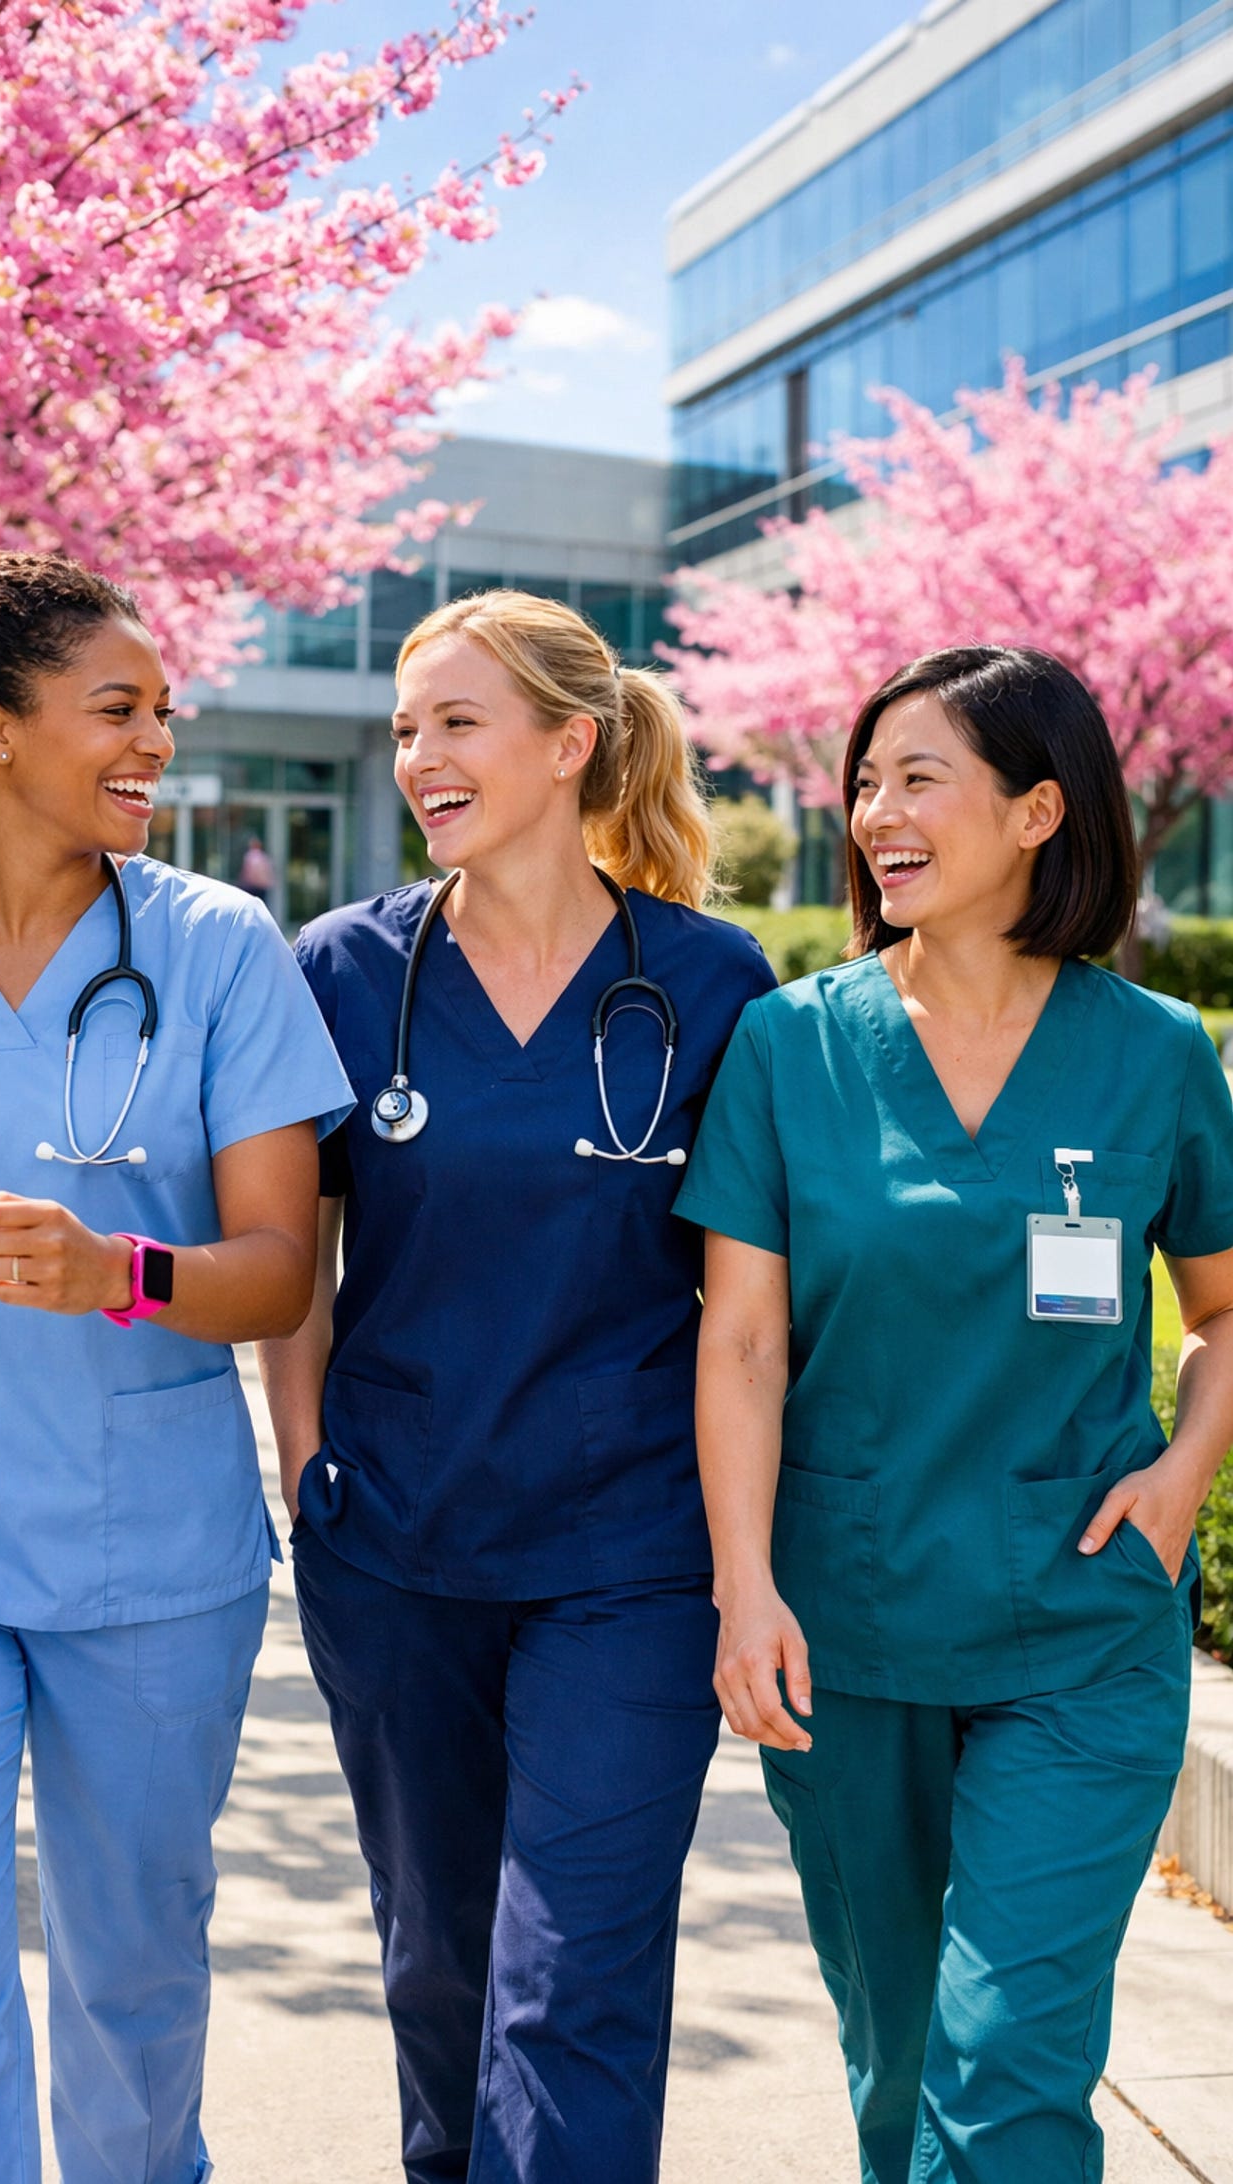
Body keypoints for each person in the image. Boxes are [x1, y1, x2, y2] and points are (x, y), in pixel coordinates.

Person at [0, 553, 352, 2183]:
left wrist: (119, 1272)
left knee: (135, 1976)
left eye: (165, 712)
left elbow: (278, 1267)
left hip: (146, 1547)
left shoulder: (222, 946)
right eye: (118, 709)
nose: (156, 741)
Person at [675, 645, 1233, 2184]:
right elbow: (741, 1346)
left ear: (1040, 809)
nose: (875, 813)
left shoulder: (1158, 1057)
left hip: (1087, 1627)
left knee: (1008, 2075)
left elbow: (1229, 1309)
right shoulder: (793, 1046)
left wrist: (1190, 1465)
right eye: (866, 781)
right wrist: (744, 1587)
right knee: (903, 2059)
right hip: (848, 1634)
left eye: (919, 777)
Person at [258, 589, 776, 2183]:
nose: (420, 758)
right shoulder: (345, 971)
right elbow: (290, 1265)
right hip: (396, 1542)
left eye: (458, 723)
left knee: (573, 1985)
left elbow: (750, 1304)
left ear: (571, 744)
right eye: (408, 730)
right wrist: (306, 1469)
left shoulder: (708, 982)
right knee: (441, 1969)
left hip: (629, 1558)